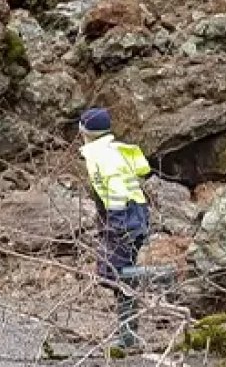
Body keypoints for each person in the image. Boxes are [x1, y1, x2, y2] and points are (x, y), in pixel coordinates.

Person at [78, 107, 152, 351]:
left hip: (126, 219)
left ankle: (158, 277)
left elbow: (117, 190)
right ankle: (127, 335)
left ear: (84, 129)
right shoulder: (107, 150)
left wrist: (117, 224)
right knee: (115, 272)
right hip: (131, 216)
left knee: (117, 274)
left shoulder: (103, 155)